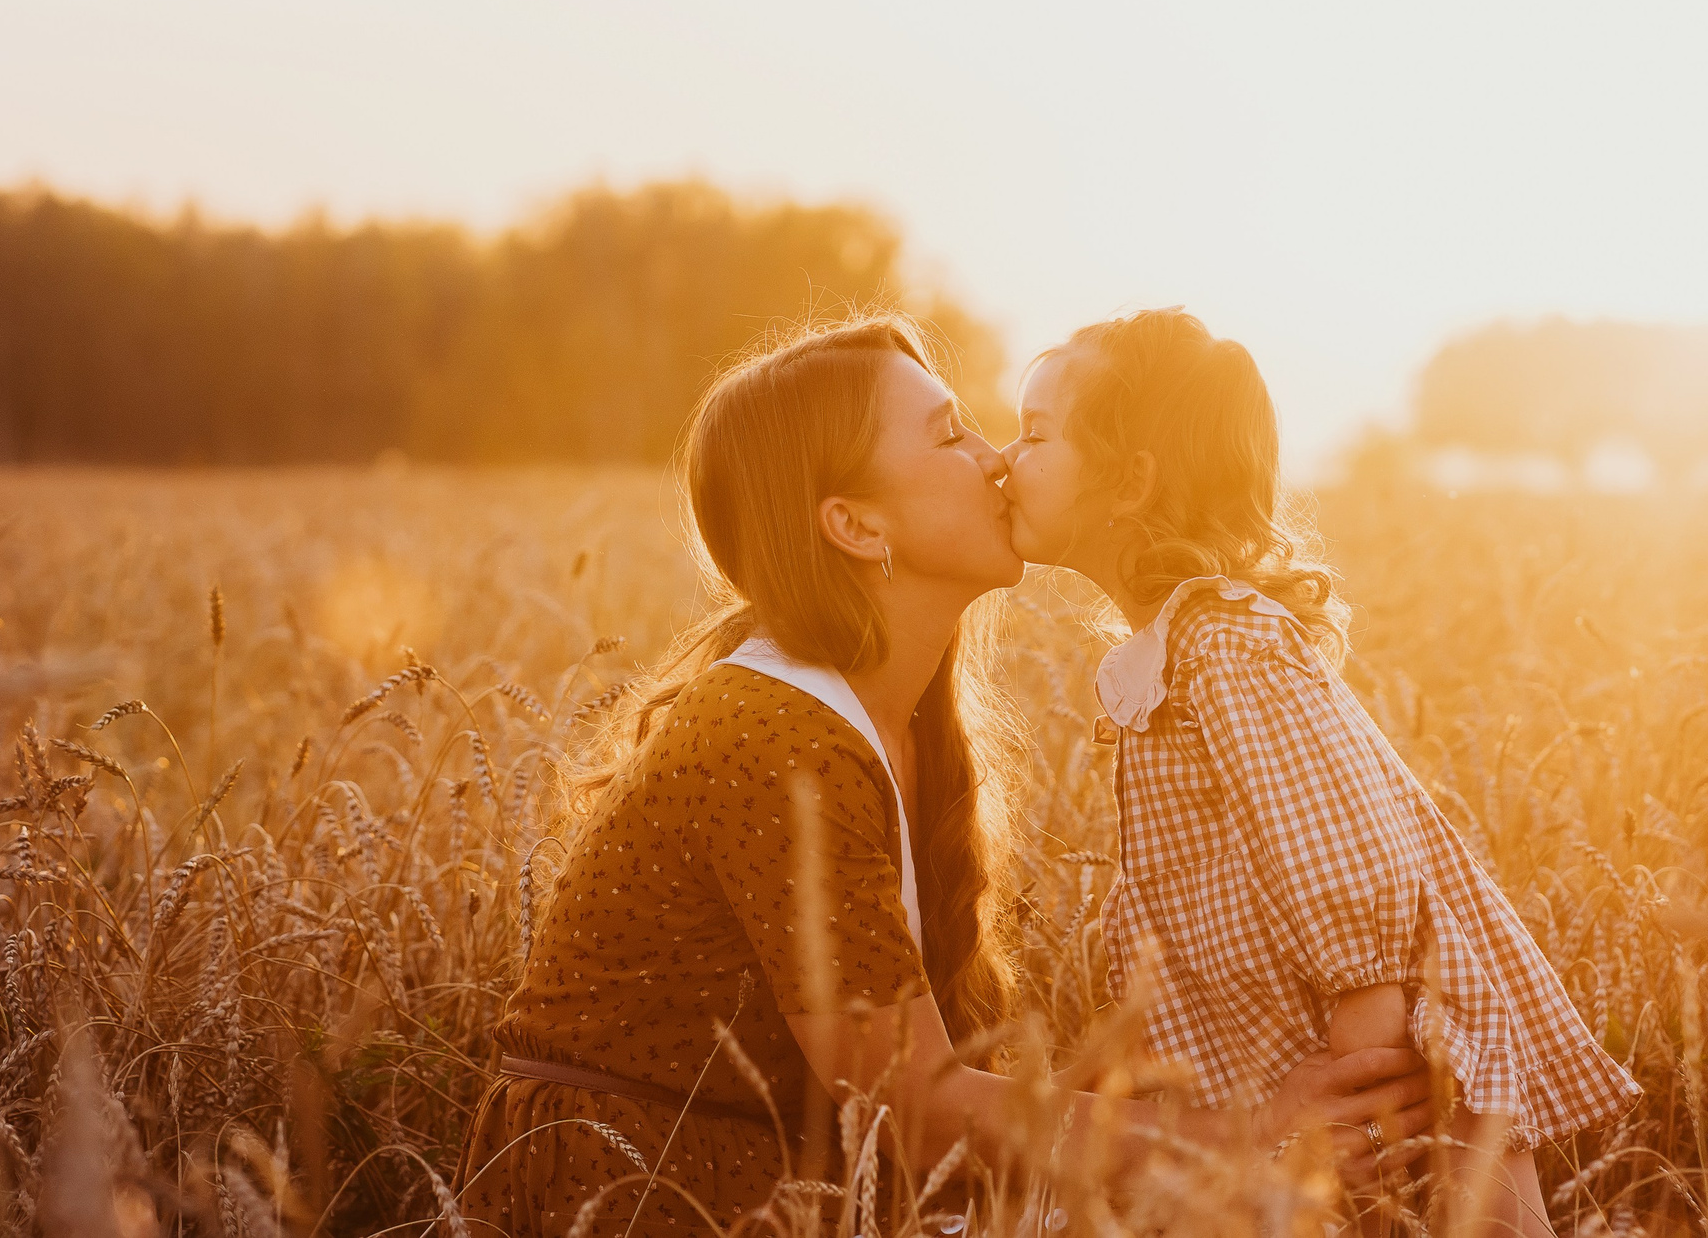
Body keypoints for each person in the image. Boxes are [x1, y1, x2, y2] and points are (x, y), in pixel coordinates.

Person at [456, 313, 1433, 1235]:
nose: (998, 461)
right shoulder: (771, 735)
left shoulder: (897, 718)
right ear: (856, 525)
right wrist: (1246, 1135)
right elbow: (918, 1112)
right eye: (951, 436)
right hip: (641, 1189)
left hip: (765, 1180)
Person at [999, 308, 1641, 1235]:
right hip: (1310, 1051)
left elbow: (1344, 847)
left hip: (1402, 1050)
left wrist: (1369, 1039)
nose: (1003, 457)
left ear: (1129, 483)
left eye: (1033, 434)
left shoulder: (1227, 643)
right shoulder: (1183, 650)